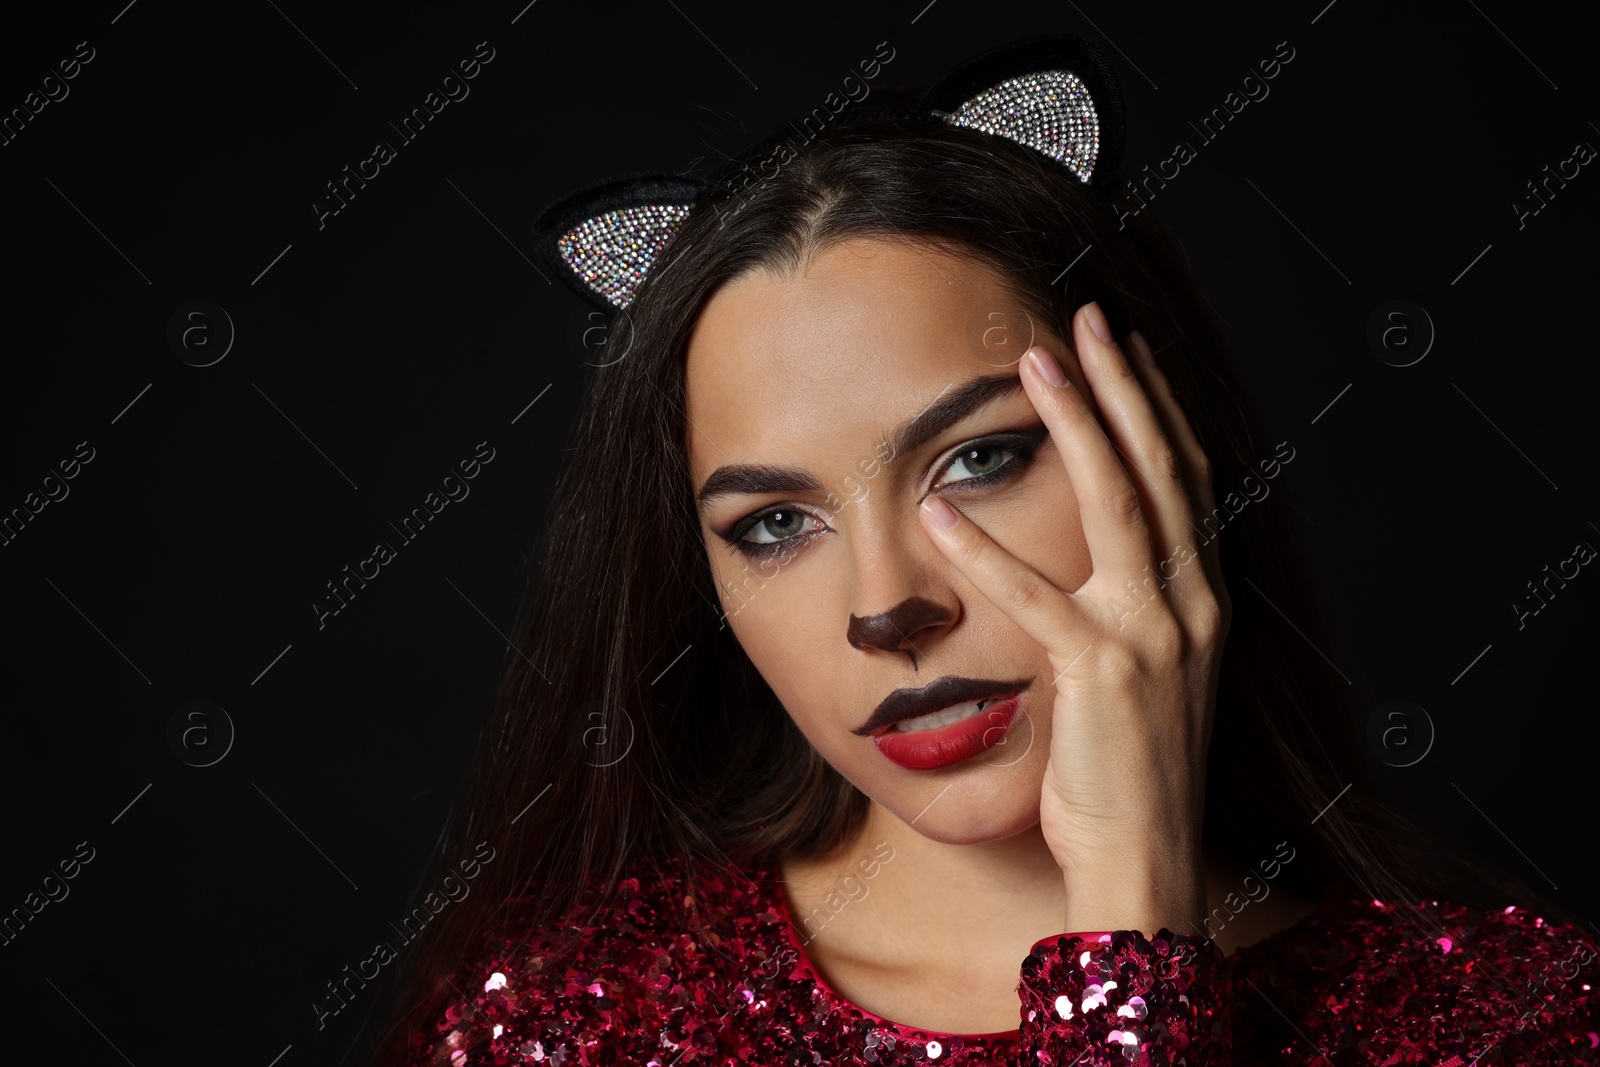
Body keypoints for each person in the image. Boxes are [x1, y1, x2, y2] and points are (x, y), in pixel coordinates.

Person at [371, 35, 1600, 1066]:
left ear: (1156, 446)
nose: (887, 605)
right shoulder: (568, 1026)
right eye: (774, 524)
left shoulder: (1508, 1021)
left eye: (977, 458)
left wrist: (1131, 899)